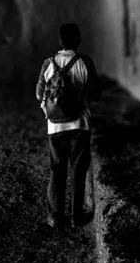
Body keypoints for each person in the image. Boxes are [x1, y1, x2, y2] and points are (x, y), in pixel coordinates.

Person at [36, 23, 101, 229]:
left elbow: (39, 94)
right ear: (78, 40)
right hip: (80, 125)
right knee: (78, 170)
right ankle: (76, 216)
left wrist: (48, 111)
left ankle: (55, 216)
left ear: (60, 41)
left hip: (55, 128)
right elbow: (96, 94)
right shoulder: (85, 62)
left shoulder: (48, 63)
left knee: (57, 170)